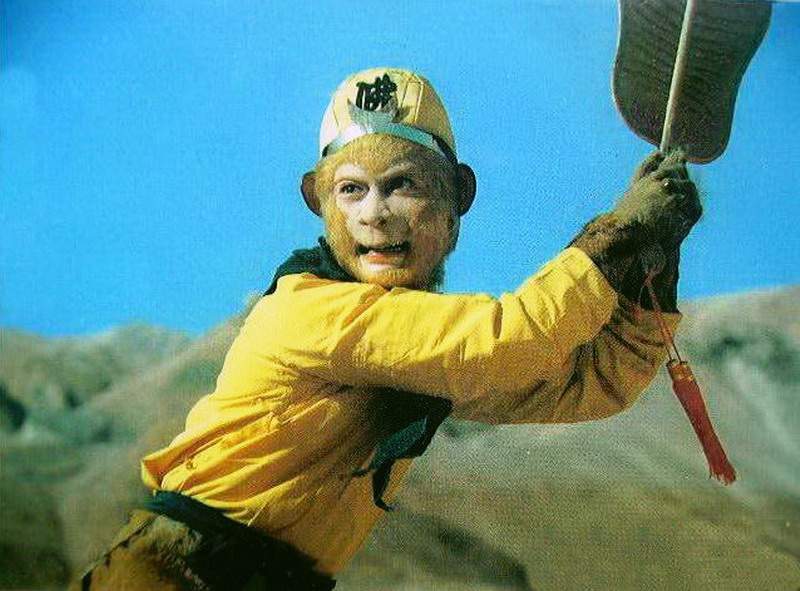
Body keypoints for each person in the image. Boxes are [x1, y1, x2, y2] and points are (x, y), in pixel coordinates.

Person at [72, 67, 699, 590]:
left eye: (403, 185)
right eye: (351, 190)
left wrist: (650, 272)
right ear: (320, 205)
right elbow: (508, 341)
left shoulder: (409, 354)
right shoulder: (306, 310)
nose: (374, 214)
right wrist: (620, 233)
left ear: (457, 198)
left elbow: (588, 385)